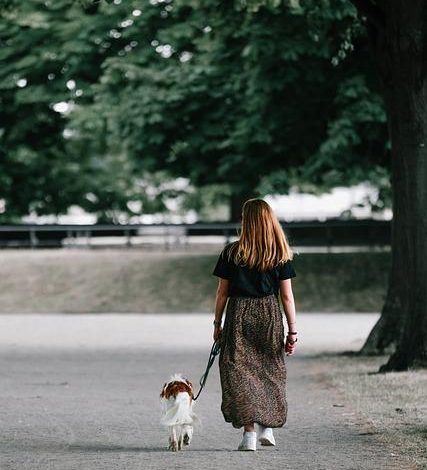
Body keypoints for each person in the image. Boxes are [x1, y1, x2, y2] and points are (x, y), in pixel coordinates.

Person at [212, 198, 297, 451]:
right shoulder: (280, 253)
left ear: (245, 221)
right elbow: (287, 297)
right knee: (270, 369)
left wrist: (217, 323)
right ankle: (267, 429)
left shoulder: (232, 252)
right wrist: (292, 331)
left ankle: (249, 433)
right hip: (269, 313)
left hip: (239, 313)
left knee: (237, 370)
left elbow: (221, 293)